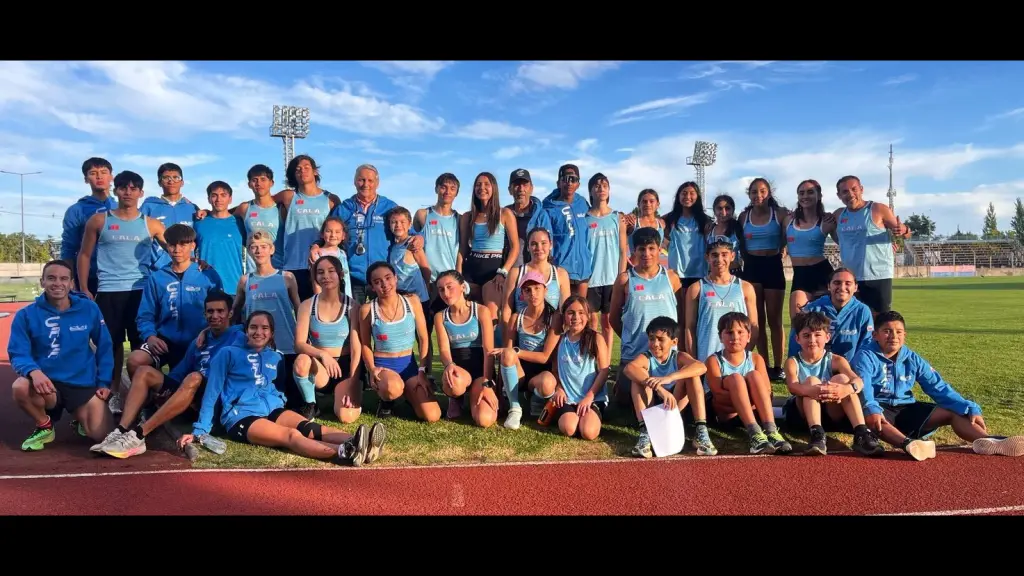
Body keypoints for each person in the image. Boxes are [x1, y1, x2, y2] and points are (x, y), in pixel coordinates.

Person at [181, 311, 386, 467]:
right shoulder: (227, 353)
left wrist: (277, 400)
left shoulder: (275, 357)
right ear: (246, 330)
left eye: (264, 328)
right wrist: (200, 430)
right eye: (253, 327)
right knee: (291, 436)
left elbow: (278, 387)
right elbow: (212, 392)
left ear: (271, 333)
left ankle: (363, 443)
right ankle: (345, 451)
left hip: (271, 409)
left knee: (308, 428)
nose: (258, 332)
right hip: (241, 416)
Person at [90, 291, 245, 458]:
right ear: (204, 313)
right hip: (192, 395)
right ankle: (121, 430)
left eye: (220, 311)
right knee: (144, 371)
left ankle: (139, 435)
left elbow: (252, 328)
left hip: (216, 400)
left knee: (195, 377)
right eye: (210, 311)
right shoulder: (200, 341)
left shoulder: (239, 337)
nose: (214, 315)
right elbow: (178, 374)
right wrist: (162, 392)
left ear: (230, 313)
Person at [852, 310, 1024, 460]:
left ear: (905, 335)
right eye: (887, 331)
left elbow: (938, 387)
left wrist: (967, 406)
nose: (893, 337)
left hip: (906, 408)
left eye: (898, 332)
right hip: (879, 407)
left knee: (954, 411)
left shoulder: (912, 358)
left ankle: (989, 441)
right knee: (873, 416)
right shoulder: (865, 357)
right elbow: (864, 389)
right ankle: (909, 445)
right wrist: (872, 408)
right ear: (875, 335)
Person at [77, 170, 169, 413]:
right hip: (109, 292)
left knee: (142, 347)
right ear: (115, 190)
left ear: (141, 192)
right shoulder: (99, 220)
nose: (128, 192)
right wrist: (85, 287)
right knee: (112, 346)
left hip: (141, 293)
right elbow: (84, 255)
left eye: (133, 188)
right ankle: (115, 393)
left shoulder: (151, 224)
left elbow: (175, 250)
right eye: (122, 187)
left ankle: (147, 397)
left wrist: (195, 263)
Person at [8, 260, 115, 451]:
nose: (57, 283)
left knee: (102, 436)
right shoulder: (26, 315)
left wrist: (104, 382)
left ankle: (80, 417)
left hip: (82, 384)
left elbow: (105, 346)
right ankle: (44, 425)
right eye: (51, 278)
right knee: (20, 386)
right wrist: (34, 372)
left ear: (72, 283)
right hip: (47, 386)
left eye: (64, 279)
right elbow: (18, 352)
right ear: (42, 282)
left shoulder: (89, 308)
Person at [782, 311, 885, 457]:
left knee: (843, 379)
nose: (812, 340)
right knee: (812, 381)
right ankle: (816, 433)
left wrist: (846, 389)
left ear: (827, 337)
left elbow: (858, 381)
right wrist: (814, 390)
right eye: (806, 336)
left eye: (817, 335)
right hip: (803, 414)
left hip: (831, 412)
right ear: (797, 339)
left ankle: (861, 433)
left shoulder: (836, 360)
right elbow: (793, 386)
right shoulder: (793, 362)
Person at [128, 223, 223, 381]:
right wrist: (150, 336)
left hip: (200, 338)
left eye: (183, 244)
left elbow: (221, 311)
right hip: (166, 341)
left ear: (192, 246)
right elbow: (145, 315)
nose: (177, 250)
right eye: (172, 245)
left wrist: (208, 332)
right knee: (135, 361)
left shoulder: (208, 275)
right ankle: (152, 400)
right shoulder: (157, 278)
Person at [327, 163, 423, 305]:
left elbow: (407, 230)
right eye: (361, 180)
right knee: (354, 319)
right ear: (354, 182)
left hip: (382, 277)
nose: (366, 184)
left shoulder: (388, 206)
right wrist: (316, 245)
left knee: (381, 320)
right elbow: (328, 232)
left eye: (370, 180)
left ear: (377, 183)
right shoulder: (345, 208)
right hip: (353, 277)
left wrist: (419, 237)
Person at [623, 315, 716, 458]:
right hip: (652, 406)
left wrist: (669, 378)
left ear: (674, 342)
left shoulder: (677, 356)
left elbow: (701, 367)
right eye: (652, 338)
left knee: (691, 374)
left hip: (674, 405)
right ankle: (645, 433)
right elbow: (629, 368)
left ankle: (701, 430)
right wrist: (659, 389)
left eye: (661, 339)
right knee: (638, 377)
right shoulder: (647, 357)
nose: (655, 343)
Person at [609, 227, 681, 410]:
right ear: (634, 251)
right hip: (634, 357)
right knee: (625, 402)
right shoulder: (625, 279)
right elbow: (614, 318)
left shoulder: (671, 277)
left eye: (651, 248)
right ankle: (621, 383)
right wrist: (630, 338)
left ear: (659, 250)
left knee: (670, 400)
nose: (646, 253)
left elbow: (681, 314)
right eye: (641, 249)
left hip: (666, 358)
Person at [359, 262, 439, 421]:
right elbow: (365, 344)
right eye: (377, 282)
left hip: (409, 366)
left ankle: (408, 394)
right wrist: (372, 368)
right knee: (392, 388)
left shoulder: (412, 301)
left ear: (396, 278)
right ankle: (386, 401)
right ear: (372, 287)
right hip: (384, 367)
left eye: (388, 278)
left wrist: (423, 370)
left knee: (432, 415)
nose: (384, 284)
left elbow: (423, 338)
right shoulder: (367, 309)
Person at [704, 312, 792, 454]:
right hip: (727, 414)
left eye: (740, 332)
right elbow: (718, 396)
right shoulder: (713, 360)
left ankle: (771, 431)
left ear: (749, 336)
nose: (735, 337)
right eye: (729, 332)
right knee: (736, 379)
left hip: (754, 412)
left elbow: (767, 393)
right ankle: (755, 434)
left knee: (754, 375)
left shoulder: (756, 358)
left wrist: (748, 397)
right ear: (721, 336)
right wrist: (745, 397)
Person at [230, 231, 301, 407]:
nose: (258, 251)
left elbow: (300, 310)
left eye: (263, 247)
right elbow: (233, 313)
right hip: (259, 347)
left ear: (271, 249)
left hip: (287, 344)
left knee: (291, 398)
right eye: (254, 247)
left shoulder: (286, 277)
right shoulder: (245, 280)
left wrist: (303, 337)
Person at [292, 255, 362, 423]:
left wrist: (353, 382)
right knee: (301, 361)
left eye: (331, 271)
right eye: (320, 272)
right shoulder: (307, 305)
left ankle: (345, 391)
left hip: (344, 367)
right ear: (315, 276)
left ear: (340, 274)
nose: (326, 276)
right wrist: (323, 355)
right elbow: (299, 344)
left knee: (346, 418)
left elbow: (355, 348)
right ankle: (311, 404)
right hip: (321, 367)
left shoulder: (352, 306)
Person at [833, 175, 911, 316]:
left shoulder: (878, 209)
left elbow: (904, 232)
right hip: (851, 278)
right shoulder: (838, 215)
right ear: (839, 195)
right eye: (844, 191)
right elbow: (837, 238)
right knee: (852, 321)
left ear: (861, 189)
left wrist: (903, 230)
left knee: (879, 321)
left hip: (878, 275)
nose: (850, 194)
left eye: (854, 189)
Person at [495, 270, 561, 429]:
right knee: (507, 352)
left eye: (537, 288)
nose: (533, 293)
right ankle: (515, 408)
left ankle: (536, 399)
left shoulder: (554, 317)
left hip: (543, 373)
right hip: (520, 373)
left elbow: (546, 357)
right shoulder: (516, 317)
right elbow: (507, 354)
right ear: (522, 295)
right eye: (527, 290)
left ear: (545, 290)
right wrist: (498, 389)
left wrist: (517, 352)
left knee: (546, 383)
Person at [433, 270, 499, 427]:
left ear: (463, 287)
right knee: (454, 385)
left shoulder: (481, 311)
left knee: (484, 420)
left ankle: (475, 397)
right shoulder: (440, 316)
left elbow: (488, 351)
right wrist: (449, 365)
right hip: (457, 373)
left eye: (450, 287)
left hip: (480, 372)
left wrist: (487, 383)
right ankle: (455, 397)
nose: (446, 293)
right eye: (441, 289)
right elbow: (443, 350)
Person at [272, 155, 343, 302]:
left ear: (315, 171)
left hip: (323, 266)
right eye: (297, 169)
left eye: (306, 167)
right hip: (293, 266)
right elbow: (261, 203)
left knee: (323, 311)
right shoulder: (288, 196)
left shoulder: (331, 200)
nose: (302, 171)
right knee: (299, 314)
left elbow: (339, 229)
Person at [737, 177, 788, 381]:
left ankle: (779, 366)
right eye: (754, 192)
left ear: (769, 193)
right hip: (752, 268)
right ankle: (764, 365)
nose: (758, 195)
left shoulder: (780, 214)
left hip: (773, 265)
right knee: (757, 321)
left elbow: (792, 229)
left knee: (775, 320)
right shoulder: (743, 216)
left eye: (762, 191)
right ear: (749, 195)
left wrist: (783, 248)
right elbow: (737, 241)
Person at [684, 239, 757, 374]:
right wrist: (694, 360)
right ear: (707, 257)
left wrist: (745, 352)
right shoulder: (696, 288)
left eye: (724, 254)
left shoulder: (745, 287)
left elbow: (753, 324)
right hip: (706, 355)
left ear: (732, 256)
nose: (720, 259)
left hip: (737, 359)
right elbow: (690, 326)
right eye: (715, 255)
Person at [459, 172, 520, 320]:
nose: (482, 188)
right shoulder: (467, 216)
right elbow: (463, 249)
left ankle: (494, 344)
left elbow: (515, 247)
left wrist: (503, 272)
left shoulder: (505, 213)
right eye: (478, 184)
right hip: (472, 269)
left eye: (486, 184)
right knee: (470, 316)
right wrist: (458, 275)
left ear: (494, 188)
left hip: (494, 271)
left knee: (491, 318)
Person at [549, 296, 609, 440]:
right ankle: (573, 416)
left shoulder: (596, 338)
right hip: (568, 398)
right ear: (564, 316)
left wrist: (589, 397)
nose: (576, 317)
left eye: (581, 313)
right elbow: (555, 371)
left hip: (592, 398)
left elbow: (604, 371)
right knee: (569, 428)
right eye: (571, 313)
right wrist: (559, 388)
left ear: (587, 316)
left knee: (589, 432)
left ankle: (589, 417)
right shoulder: (560, 340)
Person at [786, 267, 874, 360]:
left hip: (849, 369)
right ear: (829, 286)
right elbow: (796, 342)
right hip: (816, 369)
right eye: (837, 283)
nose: (842, 287)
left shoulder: (863, 311)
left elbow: (866, 346)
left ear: (855, 287)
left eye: (848, 283)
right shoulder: (812, 309)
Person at [585, 173, 629, 352]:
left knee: (609, 322)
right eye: (596, 185)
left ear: (609, 190)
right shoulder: (585, 218)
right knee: (591, 322)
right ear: (591, 191)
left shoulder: (617, 218)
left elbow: (622, 250)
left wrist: (621, 277)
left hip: (612, 278)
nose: (601, 188)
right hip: (591, 278)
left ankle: (607, 361)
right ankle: (594, 357)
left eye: (604, 185)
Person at [62, 157, 117, 294]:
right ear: (86, 179)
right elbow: (69, 248)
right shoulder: (76, 210)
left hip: (120, 280)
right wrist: (71, 280)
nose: (99, 176)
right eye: (93, 173)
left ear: (112, 177)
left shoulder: (123, 208)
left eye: (104, 172)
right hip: (90, 279)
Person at [785, 180, 838, 318]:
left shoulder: (827, 221)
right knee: (798, 321)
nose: (805, 196)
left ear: (819, 195)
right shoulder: (787, 220)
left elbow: (847, 243)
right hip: (800, 275)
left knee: (826, 322)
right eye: (801, 193)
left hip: (821, 273)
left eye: (810, 192)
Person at [538, 164, 592, 298]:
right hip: (561, 269)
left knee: (580, 314)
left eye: (573, 179)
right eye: (565, 179)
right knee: (561, 313)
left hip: (582, 270)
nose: (569, 182)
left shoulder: (583, 204)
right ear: (558, 183)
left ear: (578, 184)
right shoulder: (547, 208)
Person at [663, 181, 710, 327]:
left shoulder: (705, 220)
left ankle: (696, 349)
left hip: (699, 274)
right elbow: (661, 238)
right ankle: (681, 349)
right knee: (680, 319)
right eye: (684, 193)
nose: (687, 196)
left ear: (697, 197)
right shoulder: (669, 219)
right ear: (678, 196)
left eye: (691, 193)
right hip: (678, 275)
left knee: (697, 319)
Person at [502, 227, 569, 327]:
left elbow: (565, 311)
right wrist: (508, 338)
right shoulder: (516, 273)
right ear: (528, 247)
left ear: (550, 245)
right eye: (533, 244)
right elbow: (507, 310)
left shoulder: (561, 274)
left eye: (543, 243)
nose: (539, 248)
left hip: (550, 335)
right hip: (521, 335)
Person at [193, 181, 246, 296]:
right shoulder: (198, 223)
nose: (218, 199)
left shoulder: (240, 223)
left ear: (230, 199)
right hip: (205, 287)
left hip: (234, 287)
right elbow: (189, 252)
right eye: (214, 195)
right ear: (209, 199)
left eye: (223, 195)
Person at [504, 168, 551, 267]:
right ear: (510, 190)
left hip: (533, 273)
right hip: (508, 274)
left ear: (531, 188)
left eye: (525, 185)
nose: (521, 189)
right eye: (517, 185)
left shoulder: (541, 215)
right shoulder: (503, 215)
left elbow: (548, 248)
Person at [140, 162, 199, 227]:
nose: (171, 181)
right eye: (166, 178)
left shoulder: (193, 208)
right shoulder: (148, 207)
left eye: (176, 177)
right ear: (159, 183)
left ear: (182, 183)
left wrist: (206, 212)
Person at [310, 217, 352, 299]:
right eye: (328, 231)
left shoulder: (343, 253)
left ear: (343, 236)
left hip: (345, 299)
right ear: (322, 234)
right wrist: (320, 300)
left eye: (337, 232)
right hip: (326, 300)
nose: (333, 235)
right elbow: (315, 280)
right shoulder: (317, 254)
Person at [704, 194, 744, 275]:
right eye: (719, 208)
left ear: (733, 210)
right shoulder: (709, 230)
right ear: (714, 211)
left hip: (734, 273)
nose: (723, 212)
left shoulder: (737, 229)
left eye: (727, 208)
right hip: (713, 275)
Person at [623, 188, 665, 258]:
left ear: (657, 204)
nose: (648, 204)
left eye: (651, 201)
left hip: (654, 267)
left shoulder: (662, 224)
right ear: (638, 204)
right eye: (644, 201)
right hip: (635, 266)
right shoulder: (632, 222)